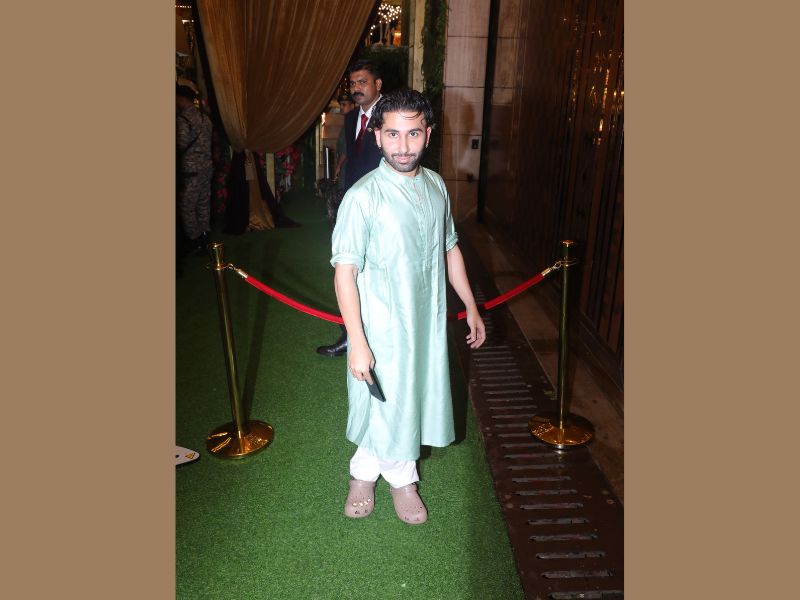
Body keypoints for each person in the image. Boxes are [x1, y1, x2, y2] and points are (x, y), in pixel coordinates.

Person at [330, 89, 486, 525]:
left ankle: (372, 471)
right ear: (377, 136)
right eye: (393, 134)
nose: (403, 146)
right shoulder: (363, 196)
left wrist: (471, 306)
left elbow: (449, 249)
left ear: (428, 134)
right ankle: (389, 478)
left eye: (413, 133)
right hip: (381, 326)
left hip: (428, 323)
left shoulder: (436, 185)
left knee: (410, 399)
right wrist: (357, 342)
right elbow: (344, 273)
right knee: (383, 402)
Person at [316, 60, 384, 357]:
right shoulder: (351, 116)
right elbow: (351, 158)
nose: (356, 88)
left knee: (377, 273)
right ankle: (350, 335)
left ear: (377, 84)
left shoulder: (391, 113)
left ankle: (377, 338)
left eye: (362, 82)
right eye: (353, 83)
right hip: (354, 203)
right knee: (350, 269)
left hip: (382, 205)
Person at [176, 84, 213, 254]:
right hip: (206, 167)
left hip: (191, 170)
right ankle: (205, 236)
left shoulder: (183, 120)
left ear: (181, 99)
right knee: (203, 203)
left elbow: (181, 144)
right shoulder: (205, 119)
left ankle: (195, 240)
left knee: (187, 206)